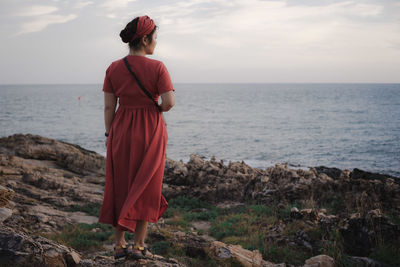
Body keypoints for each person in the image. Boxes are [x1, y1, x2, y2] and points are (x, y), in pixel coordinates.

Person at [98, 15, 175, 260]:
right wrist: (156, 109)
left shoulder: (113, 68)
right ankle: (139, 245)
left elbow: (109, 107)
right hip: (150, 131)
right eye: (154, 38)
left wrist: (110, 134)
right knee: (148, 186)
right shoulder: (158, 67)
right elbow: (169, 102)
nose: (156, 43)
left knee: (120, 184)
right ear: (145, 39)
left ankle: (119, 245)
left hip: (121, 130)